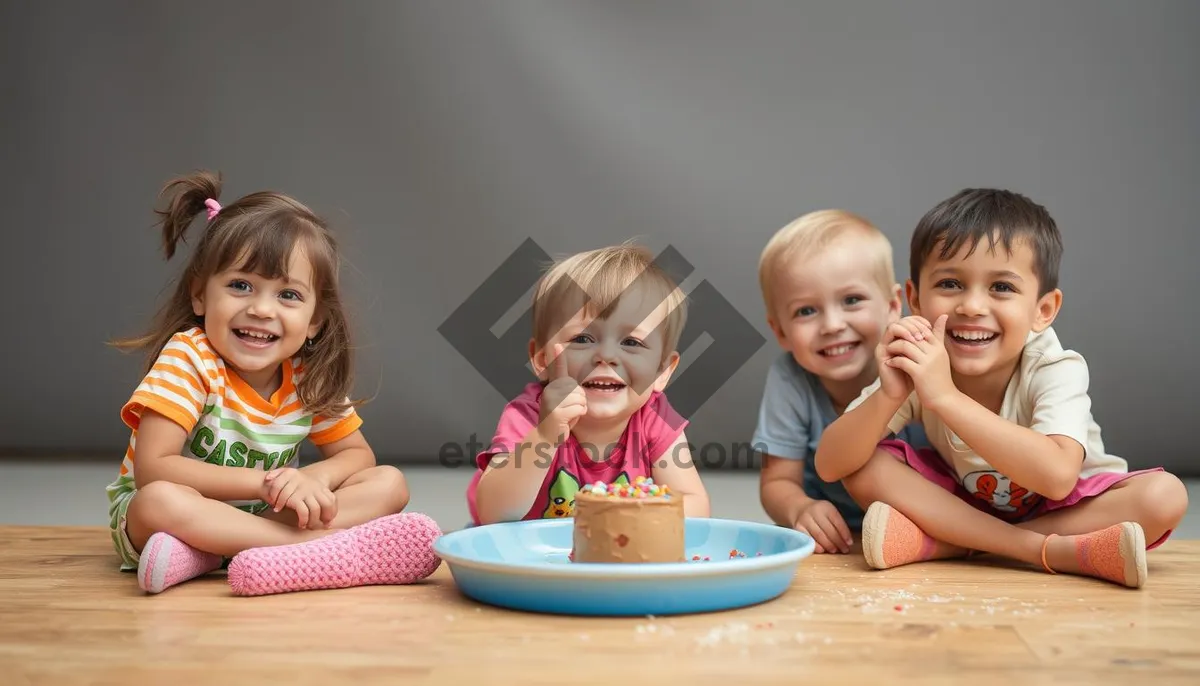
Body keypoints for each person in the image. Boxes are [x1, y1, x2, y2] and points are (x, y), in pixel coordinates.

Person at [814, 188, 1188, 588]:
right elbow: (831, 465)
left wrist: (945, 397)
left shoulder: (1054, 366)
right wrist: (888, 396)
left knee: (1164, 496)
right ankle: (1034, 550)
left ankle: (953, 545)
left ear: (1042, 311)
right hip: (966, 503)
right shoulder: (918, 360)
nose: (972, 306)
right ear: (915, 299)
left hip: (1067, 505)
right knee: (864, 464)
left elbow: (1058, 477)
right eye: (951, 283)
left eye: (1002, 288)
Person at [108, 170, 441, 595]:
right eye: (241, 285)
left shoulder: (308, 375)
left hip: (262, 515)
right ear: (199, 296)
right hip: (175, 514)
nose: (262, 309)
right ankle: (314, 552)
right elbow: (153, 470)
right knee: (158, 501)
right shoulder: (189, 357)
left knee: (389, 482)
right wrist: (267, 484)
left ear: (316, 320)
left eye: (288, 295)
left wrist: (312, 479)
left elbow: (358, 456)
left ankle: (203, 556)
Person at [467, 242, 711, 525]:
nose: (606, 356)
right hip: (534, 556)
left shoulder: (655, 420)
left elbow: (694, 506)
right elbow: (494, 513)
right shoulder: (529, 416)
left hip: (619, 550)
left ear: (662, 372)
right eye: (582, 339)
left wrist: (634, 521)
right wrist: (545, 437)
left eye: (631, 342)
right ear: (542, 358)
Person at [753, 209, 928, 554]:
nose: (832, 324)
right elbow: (777, 481)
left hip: (931, 518)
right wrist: (799, 509)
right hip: (844, 537)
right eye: (806, 311)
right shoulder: (791, 379)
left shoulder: (917, 361)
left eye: (851, 300)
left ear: (894, 305)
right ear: (780, 331)